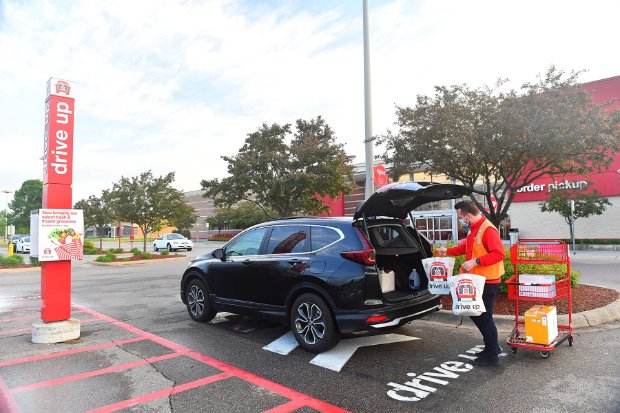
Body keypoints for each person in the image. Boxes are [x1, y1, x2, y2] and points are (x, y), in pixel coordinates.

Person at [436, 200, 506, 366]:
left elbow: (499, 254)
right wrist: (449, 251)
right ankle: (492, 347)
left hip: (487, 280)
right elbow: (467, 248)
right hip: (478, 280)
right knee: (478, 314)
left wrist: (476, 261)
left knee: (483, 316)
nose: (460, 219)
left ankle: (491, 354)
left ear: (468, 215)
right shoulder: (474, 229)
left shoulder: (487, 229)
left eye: (460, 217)